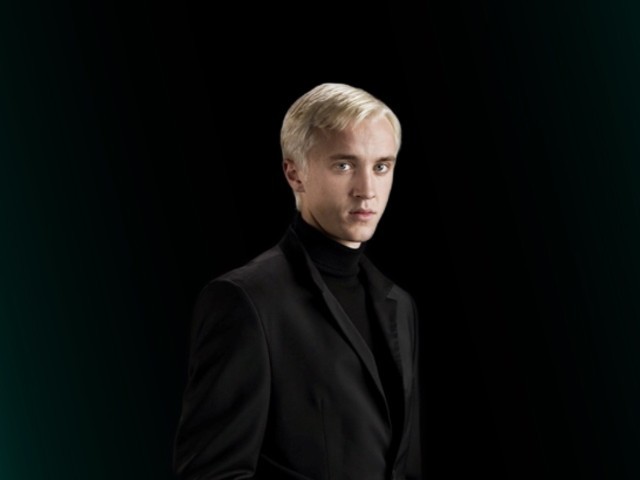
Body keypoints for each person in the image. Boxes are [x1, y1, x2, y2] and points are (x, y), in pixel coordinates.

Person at [173, 82, 422, 479]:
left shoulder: (400, 304)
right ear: (294, 173)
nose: (367, 190)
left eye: (381, 166)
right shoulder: (245, 300)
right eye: (344, 165)